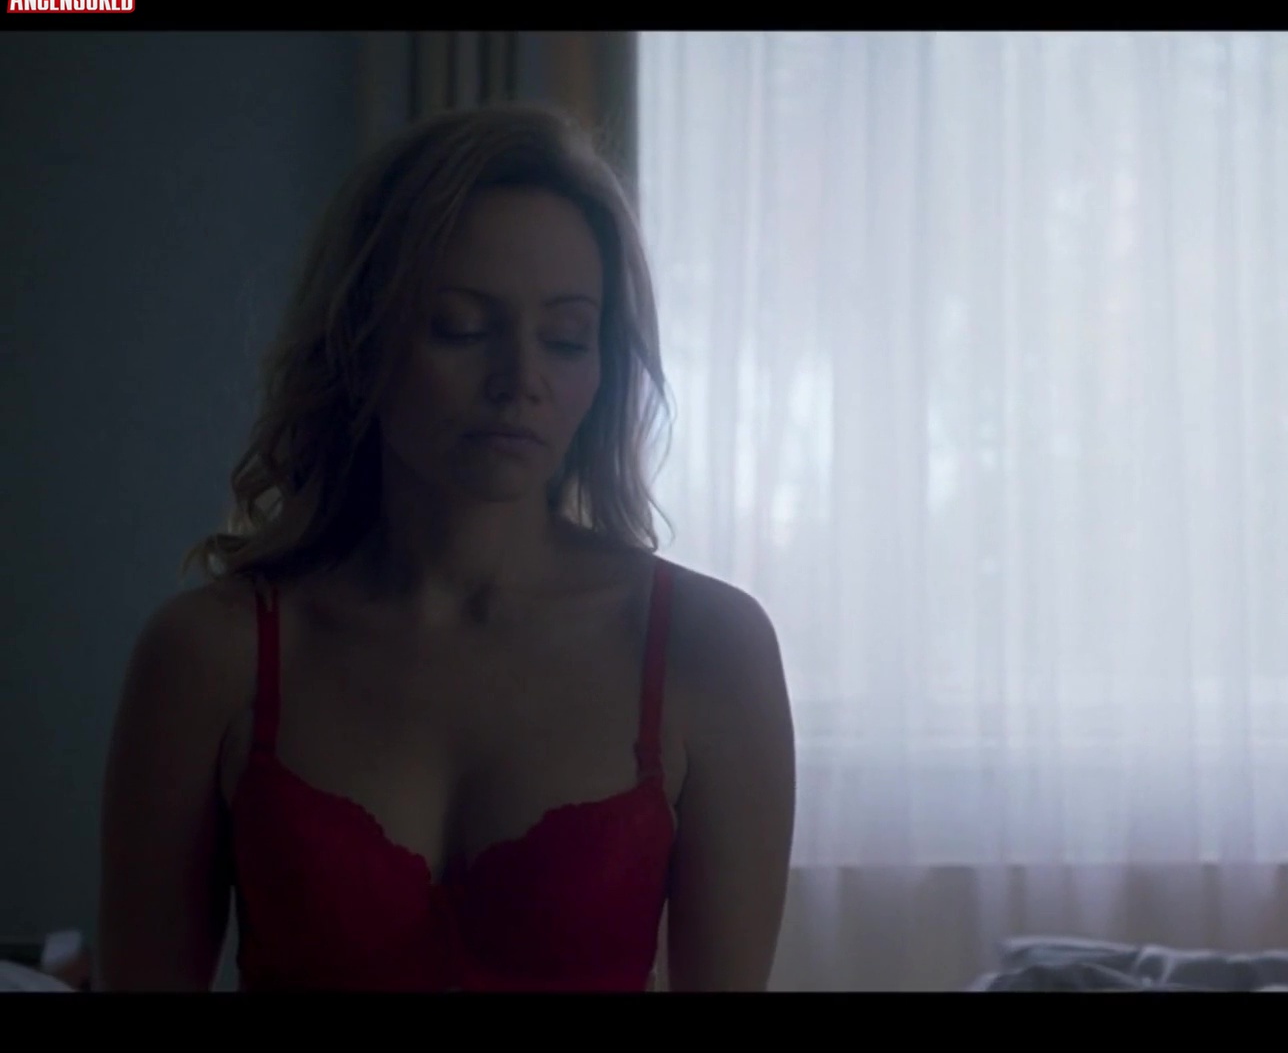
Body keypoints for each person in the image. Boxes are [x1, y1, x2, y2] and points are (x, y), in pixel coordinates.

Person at [96, 104, 797, 990]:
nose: (521, 381)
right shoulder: (211, 656)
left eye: (566, 338)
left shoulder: (708, 648)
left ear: (604, 366)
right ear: (360, 340)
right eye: (462, 327)